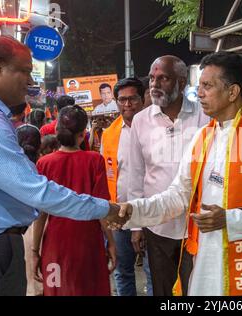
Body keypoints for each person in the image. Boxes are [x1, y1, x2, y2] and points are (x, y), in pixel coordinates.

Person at [119, 51, 242, 296]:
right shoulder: (203, 137)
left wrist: (230, 219)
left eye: (207, 86)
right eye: (200, 86)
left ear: (232, 92)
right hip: (206, 267)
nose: (200, 93)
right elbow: (178, 196)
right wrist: (133, 211)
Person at [0, 35, 126, 296]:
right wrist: (106, 209)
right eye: (24, 71)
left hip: (28, 242)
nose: (30, 81)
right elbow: (37, 192)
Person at [127, 55, 210, 296]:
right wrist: (136, 225)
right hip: (158, 225)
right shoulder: (141, 121)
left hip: (197, 225)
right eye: (152, 78)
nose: (154, 84)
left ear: (181, 83)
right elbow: (136, 174)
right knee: (163, 290)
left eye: (163, 78)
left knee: (197, 289)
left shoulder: (203, 118)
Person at [33, 105, 116, 296]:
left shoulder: (44, 163)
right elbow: (102, 208)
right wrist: (111, 243)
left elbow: (41, 214)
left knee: (58, 290)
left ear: (56, 131)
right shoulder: (95, 161)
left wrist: (34, 250)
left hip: (56, 243)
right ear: (82, 134)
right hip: (89, 242)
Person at [101, 77, 146, 296]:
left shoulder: (156, 128)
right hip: (119, 214)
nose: (127, 104)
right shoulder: (109, 133)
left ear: (143, 98)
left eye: (132, 99)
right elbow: (105, 174)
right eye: (122, 100)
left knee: (154, 271)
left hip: (152, 212)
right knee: (122, 271)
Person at [15, 124, 44, 296]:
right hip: (44, 234)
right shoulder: (44, 168)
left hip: (17, 234)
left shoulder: (9, 170)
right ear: (40, 146)